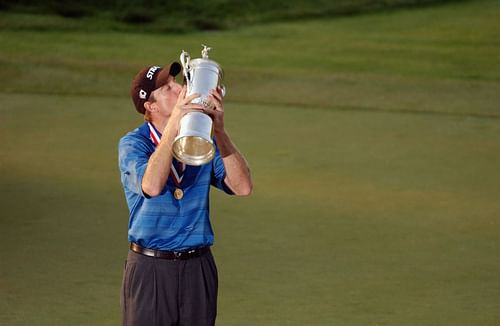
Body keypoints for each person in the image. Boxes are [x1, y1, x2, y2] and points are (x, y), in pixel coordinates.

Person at [118, 62, 252, 326]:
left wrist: (220, 132)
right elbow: (152, 186)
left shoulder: (202, 141)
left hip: (198, 268)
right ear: (151, 106)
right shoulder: (133, 144)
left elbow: (243, 187)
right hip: (150, 269)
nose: (179, 89)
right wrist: (176, 123)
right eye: (167, 88)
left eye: (176, 82)